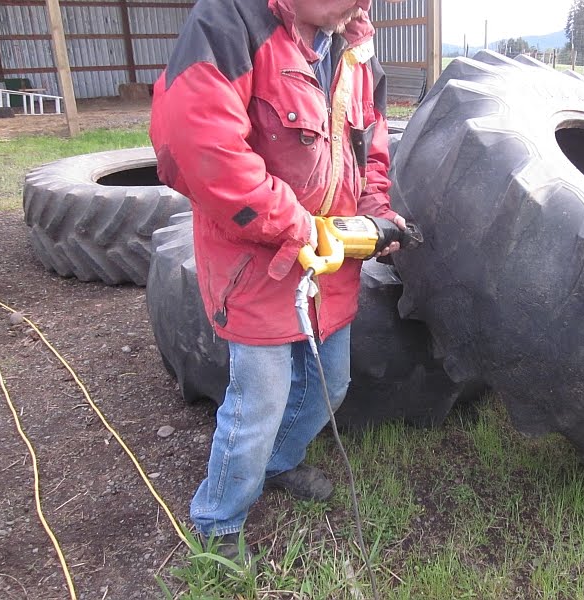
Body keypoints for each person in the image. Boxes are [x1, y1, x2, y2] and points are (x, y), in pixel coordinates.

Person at [149, 0, 405, 559]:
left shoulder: (354, 48)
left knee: (329, 385)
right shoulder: (229, 25)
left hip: (328, 262)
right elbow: (198, 146)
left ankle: (280, 464)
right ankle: (217, 522)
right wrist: (296, 225)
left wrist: (376, 214)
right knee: (258, 403)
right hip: (255, 258)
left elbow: (371, 146)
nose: (365, 4)